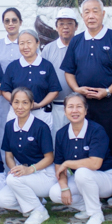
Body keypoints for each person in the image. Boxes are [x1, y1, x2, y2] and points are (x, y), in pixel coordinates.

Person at [61, 0, 112, 152]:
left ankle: (110, 174)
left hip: (109, 103)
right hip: (83, 104)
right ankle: (83, 173)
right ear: (82, 16)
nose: (91, 15)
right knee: (83, 142)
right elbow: (69, 71)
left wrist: (108, 91)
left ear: (103, 14)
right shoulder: (76, 41)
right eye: (87, 12)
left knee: (110, 143)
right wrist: (77, 89)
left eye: (95, 11)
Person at [48, 93, 112, 224]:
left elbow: (95, 164)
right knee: (55, 193)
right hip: (84, 179)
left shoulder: (96, 130)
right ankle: (87, 207)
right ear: (65, 111)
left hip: (107, 177)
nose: (74, 111)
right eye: (70, 107)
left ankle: (96, 214)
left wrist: (68, 163)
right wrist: (64, 187)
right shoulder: (61, 134)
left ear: (86, 111)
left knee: (81, 172)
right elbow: (59, 165)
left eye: (79, 107)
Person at [0, 88, 56, 224]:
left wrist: (30, 170)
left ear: (31, 104)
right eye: (16, 102)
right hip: (25, 174)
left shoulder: (41, 127)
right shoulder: (10, 126)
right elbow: (8, 155)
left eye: (24, 103)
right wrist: (14, 168)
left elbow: (49, 158)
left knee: (12, 180)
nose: (20, 107)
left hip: (45, 174)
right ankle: (35, 203)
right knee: (2, 199)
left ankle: (39, 211)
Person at [1, 29, 61, 130]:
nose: (25, 47)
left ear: (37, 43)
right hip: (16, 114)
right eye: (21, 43)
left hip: (40, 113)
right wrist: (19, 104)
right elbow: (4, 90)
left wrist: (39, 105)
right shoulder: (13, 66)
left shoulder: (46, 65)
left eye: (29, 43)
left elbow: (54, 91)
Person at [40, 8, 78, 141]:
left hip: (79, 106)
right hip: (56, 105)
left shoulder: (81, 46)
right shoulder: (48, 49)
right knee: (57, 141)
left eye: (69, 23)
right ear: (56, 27)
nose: (65, 27)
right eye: (61, 23)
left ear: (76, 26)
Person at [0, 7, 23, 138]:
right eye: (7, 21)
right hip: (1, 95)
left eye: (14, 20)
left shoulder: (26, 43)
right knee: (2, 127)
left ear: (20, 22)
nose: (11, 24)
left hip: (22, 94)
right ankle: (3, 158)